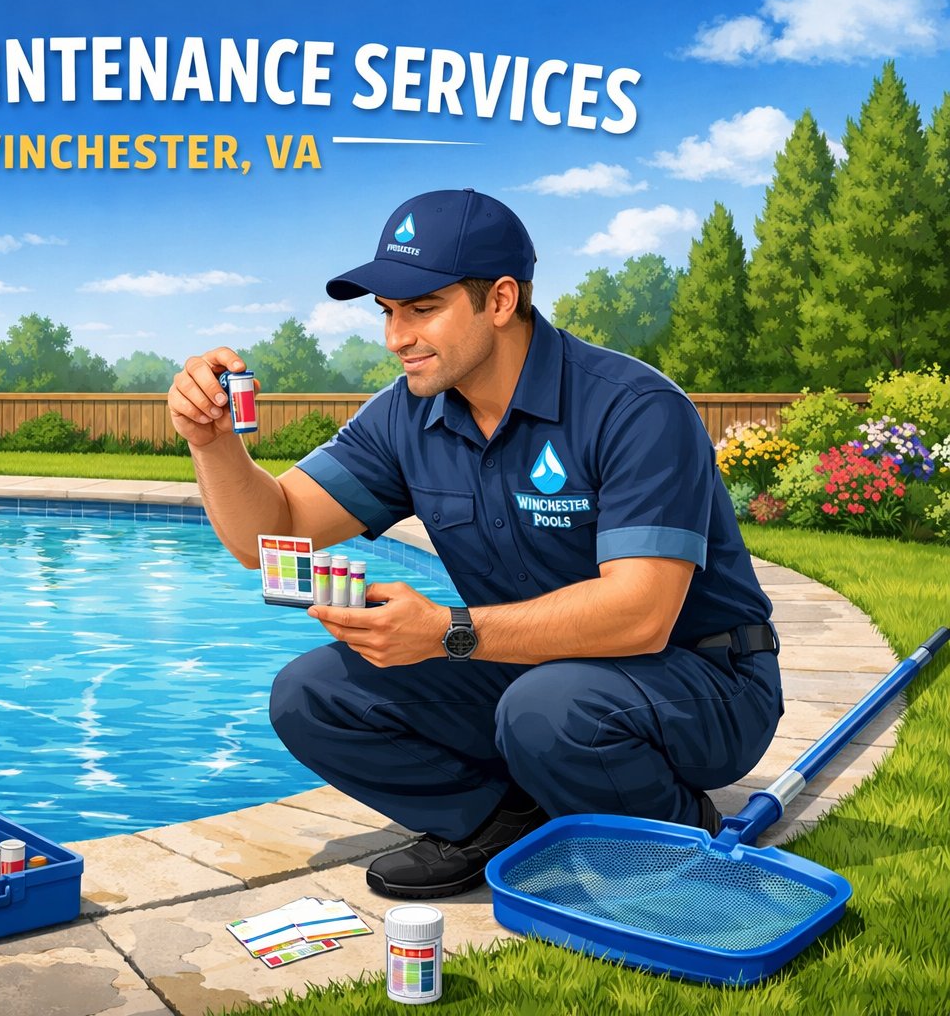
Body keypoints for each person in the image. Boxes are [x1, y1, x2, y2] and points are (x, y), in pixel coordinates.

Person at [167, 189, 782, 900]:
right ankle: (498, 823)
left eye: (421, 308)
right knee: (313, 693)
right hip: (533, 667)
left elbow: (641, 614)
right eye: (388, 313)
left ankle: (669, 835)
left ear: (499, 300)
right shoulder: (407, 415)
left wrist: (447, 633)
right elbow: (271, 535)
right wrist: (210, 443)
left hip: (703, 678)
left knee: (548, 709)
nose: (397, 336)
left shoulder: (634, 409)